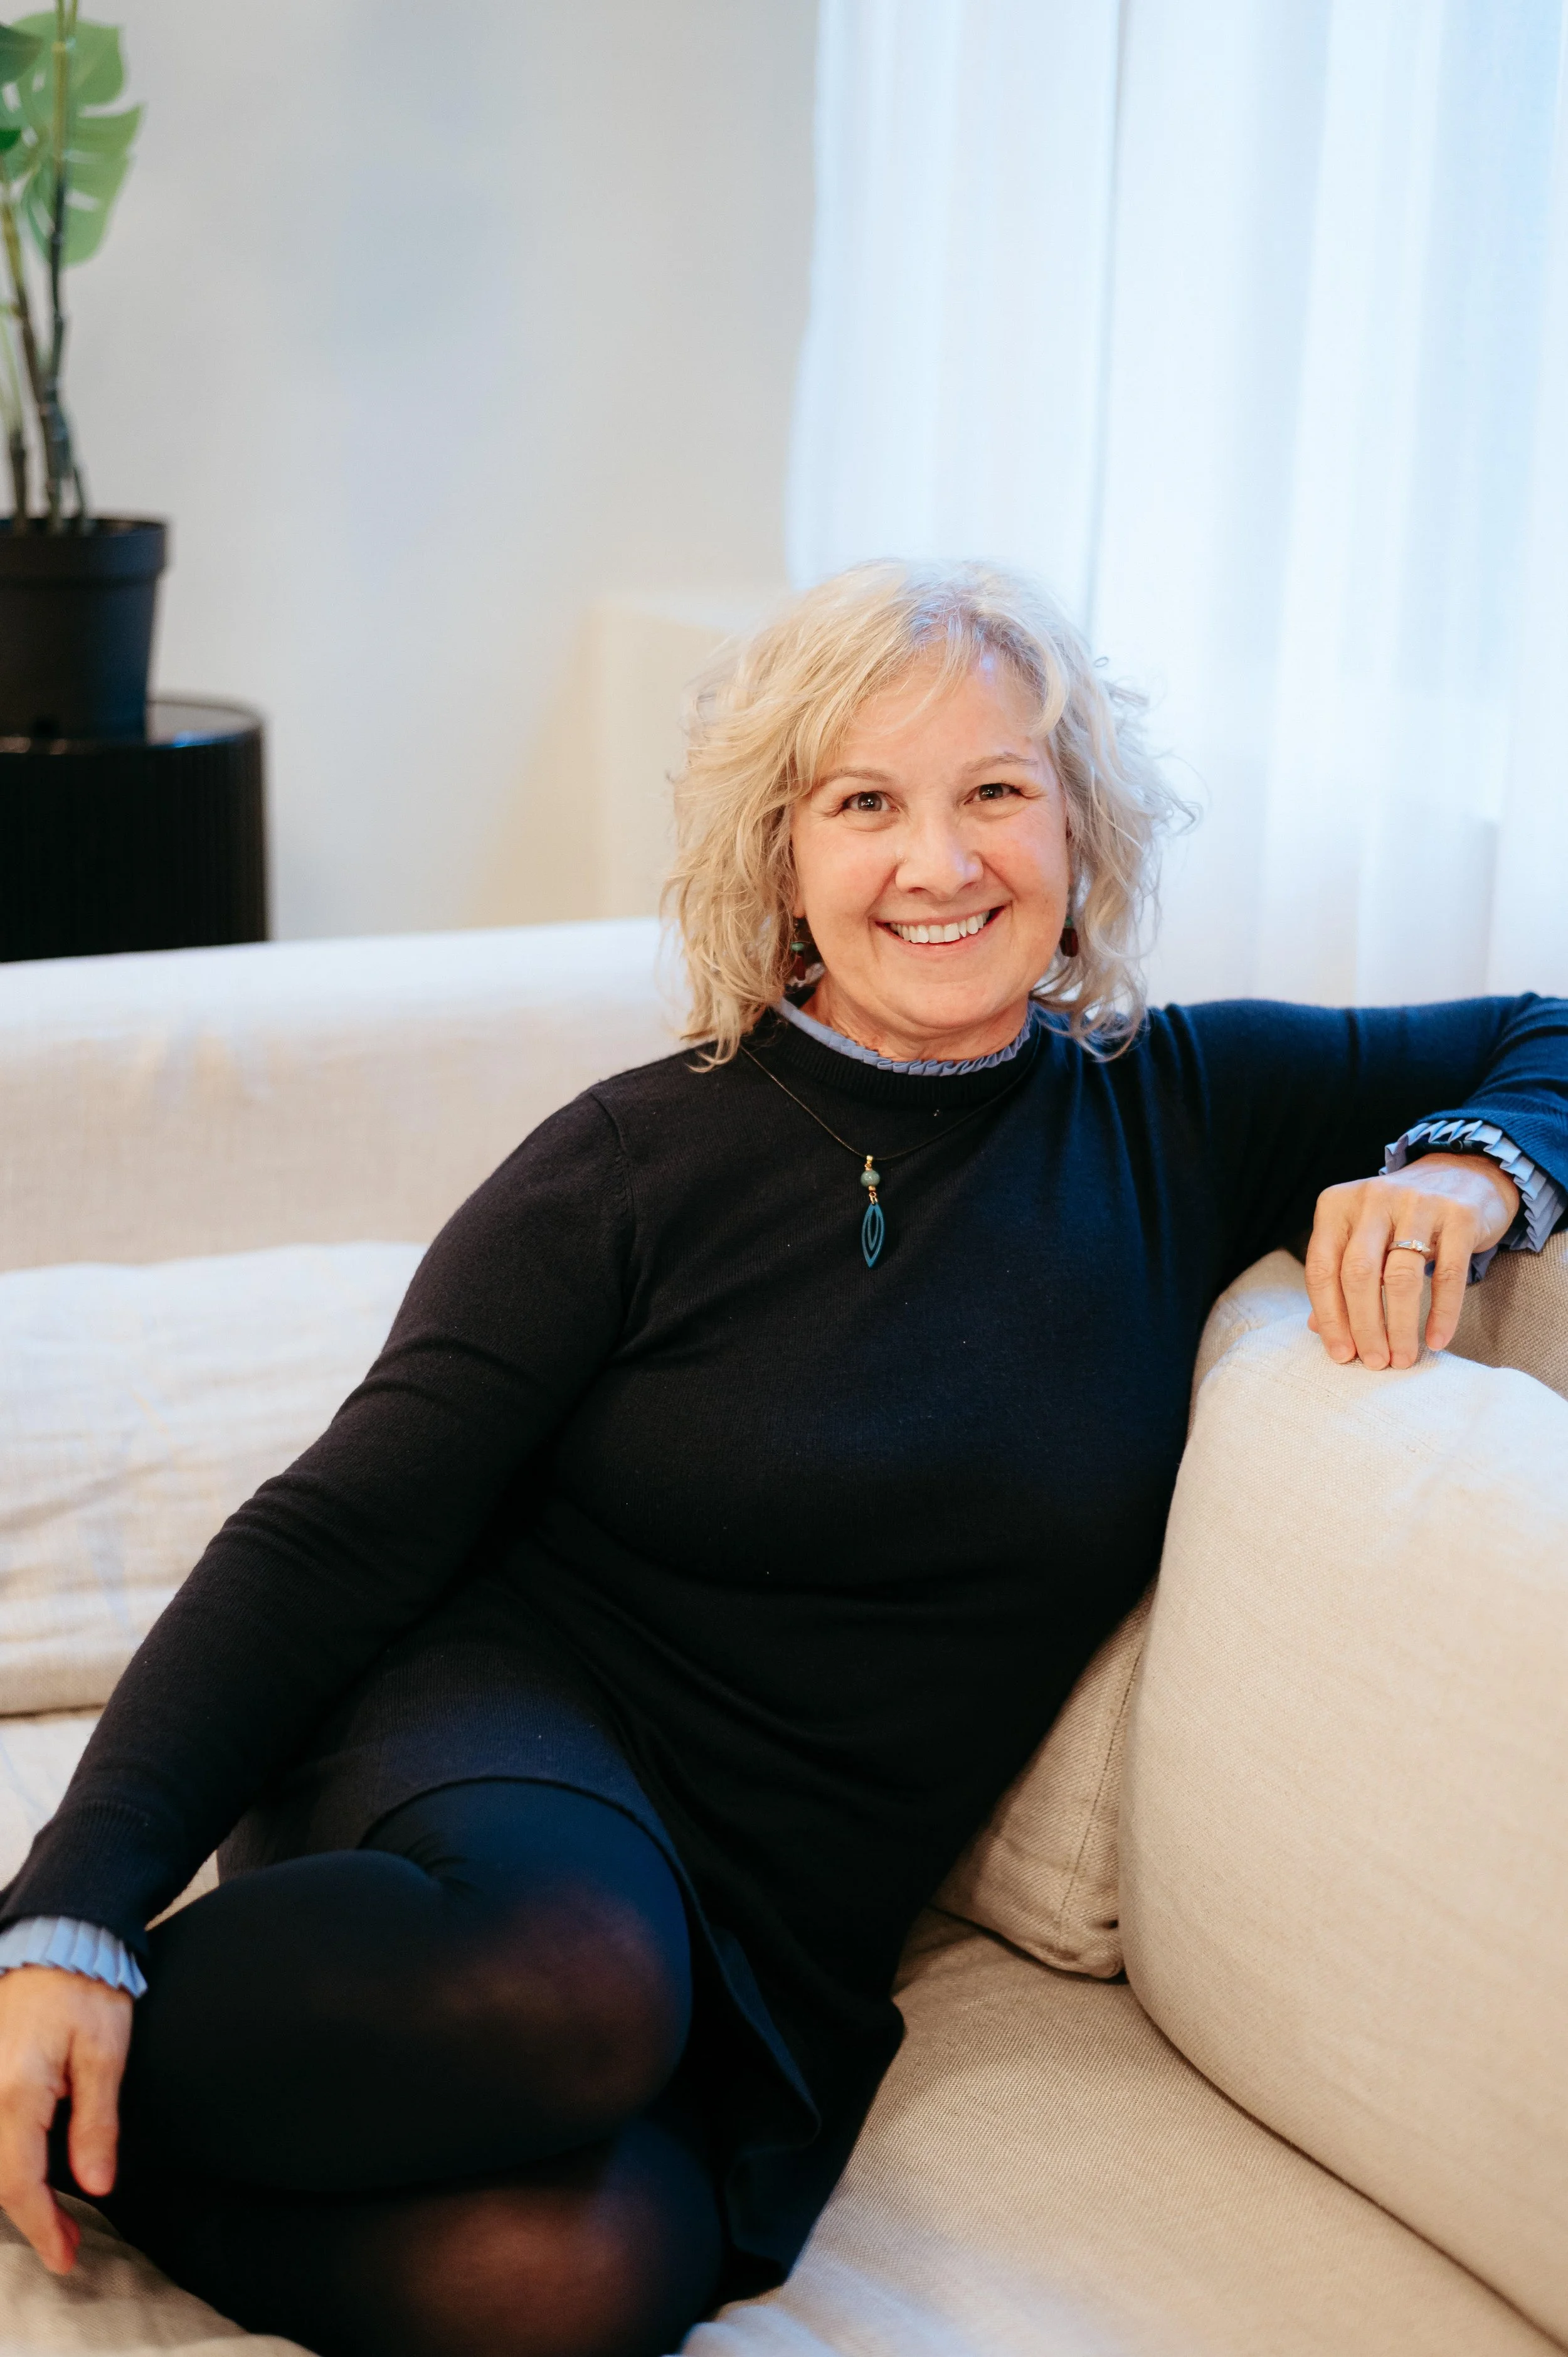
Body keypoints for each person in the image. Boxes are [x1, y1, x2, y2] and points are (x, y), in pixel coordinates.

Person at [0, 562, 1563, 2357]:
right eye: (865, 802)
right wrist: (76, 1900)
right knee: (567, 1982)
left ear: (1078, 824)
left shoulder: (1180, 1109)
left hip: (778, 1905)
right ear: (781, 857)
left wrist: (1462, 1170)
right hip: (503, 1740)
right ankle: (33, 2002)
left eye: (994, 789)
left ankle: (80, 2141)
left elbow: (1550, 1031)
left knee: (584, 2276)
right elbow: (328, 1536)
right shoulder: (631, 1166)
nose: (940, 860)